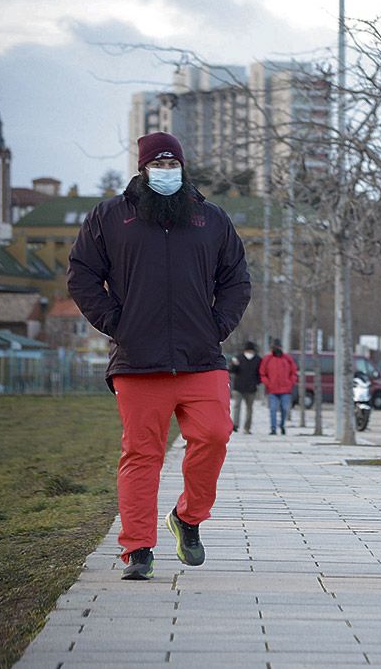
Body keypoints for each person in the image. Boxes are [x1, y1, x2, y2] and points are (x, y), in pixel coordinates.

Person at [68, 131, 251, 581]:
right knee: (141, 454)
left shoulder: (210, 219)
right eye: (158, 165)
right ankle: (137, 549)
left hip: (200, 357)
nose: (166, 173)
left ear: (183, 168)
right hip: (138, 359)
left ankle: (187, 518)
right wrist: (116, 323)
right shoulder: (109, 217)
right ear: (142, 168)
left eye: (173, 166)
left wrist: (216, 326)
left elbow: (237, 280)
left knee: (215, 435)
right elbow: (82, 275)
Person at [259, 339, 297, 435]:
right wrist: (268, 383)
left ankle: (282, 425)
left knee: (285, 409)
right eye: (275, 347)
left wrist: (290, 383)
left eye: (278, 347)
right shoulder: (267, 359)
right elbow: (262, 373)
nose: (277, 349)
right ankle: (273, 428)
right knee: (273, 409)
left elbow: (294, 372)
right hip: (272, 390)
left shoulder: (288, 359)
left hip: (285, 390)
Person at [229, 341, 262, 434]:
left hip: (251, 388)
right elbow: (232, 371)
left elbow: (260, 373)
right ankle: (235, 425)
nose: (249, 352)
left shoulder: (258, 360)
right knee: (237, 406)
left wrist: (258, 382)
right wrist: (234, 365)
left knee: (249, 408)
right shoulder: (238, 358)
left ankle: (247, 428)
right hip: (238, 387)